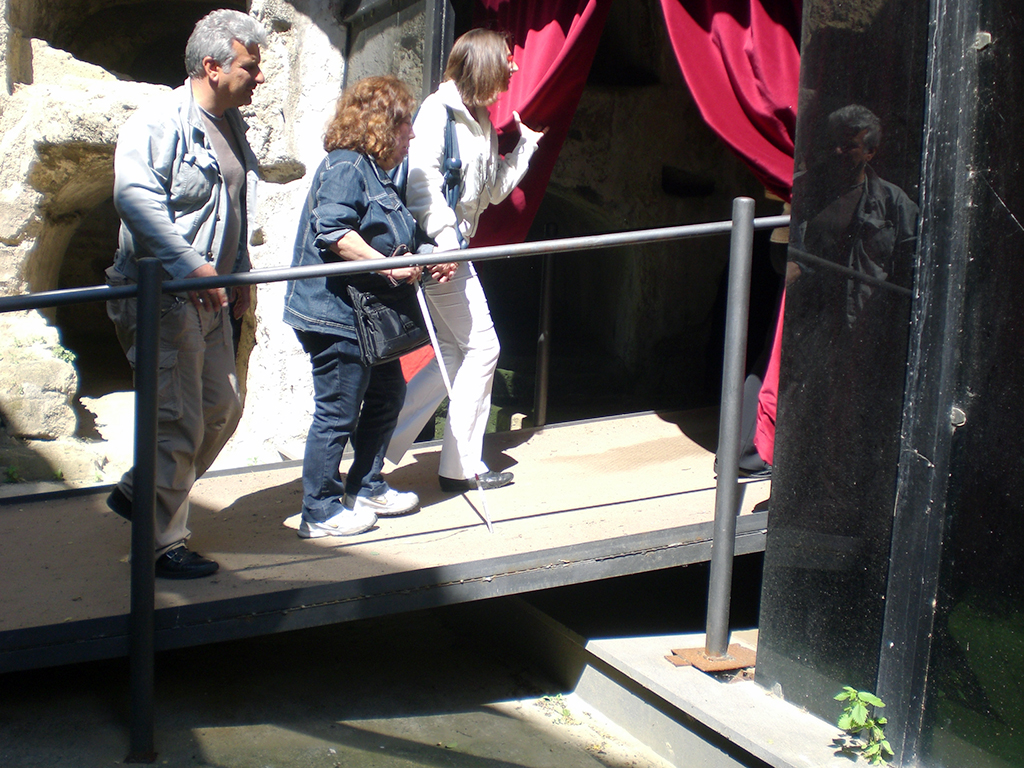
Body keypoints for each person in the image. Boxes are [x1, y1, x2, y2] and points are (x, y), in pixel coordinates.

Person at [104, 9, 267, 579]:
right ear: (212, 65)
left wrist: (237, 271)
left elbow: (232, 205)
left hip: (211, 296)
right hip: (167, 294)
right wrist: (193, 266)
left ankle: (139, 491)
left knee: (222, 407)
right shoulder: (157, 122)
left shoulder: (230, 124)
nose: (259, 76)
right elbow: (134, 197)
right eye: (250, 66)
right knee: (177, 421)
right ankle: (161, 546)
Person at [385, 28, 545, 492]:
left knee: (453, 353)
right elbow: (421, 185)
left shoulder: (480, 118)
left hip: (453, 251)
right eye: (507, 58)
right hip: (440, 253)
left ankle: (377, 444)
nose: (514, 66)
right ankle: (458, 467)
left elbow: (491, 192)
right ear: (485, 62)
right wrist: (448, 245)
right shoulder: (438, 112)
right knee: (483, 348)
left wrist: (525, 147)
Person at [283, 76, 427, 539]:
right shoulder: (346, 165)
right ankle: (319, 510)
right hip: (334, 314)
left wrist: (426, 256)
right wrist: (388, 267)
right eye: (405, 124)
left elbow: (391, 234)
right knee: (338, 410)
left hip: (364, 317)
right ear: (382, 123)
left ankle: (364, 485)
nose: (411, 134)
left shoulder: (373, 171)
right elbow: (334, 233)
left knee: (387, 394)